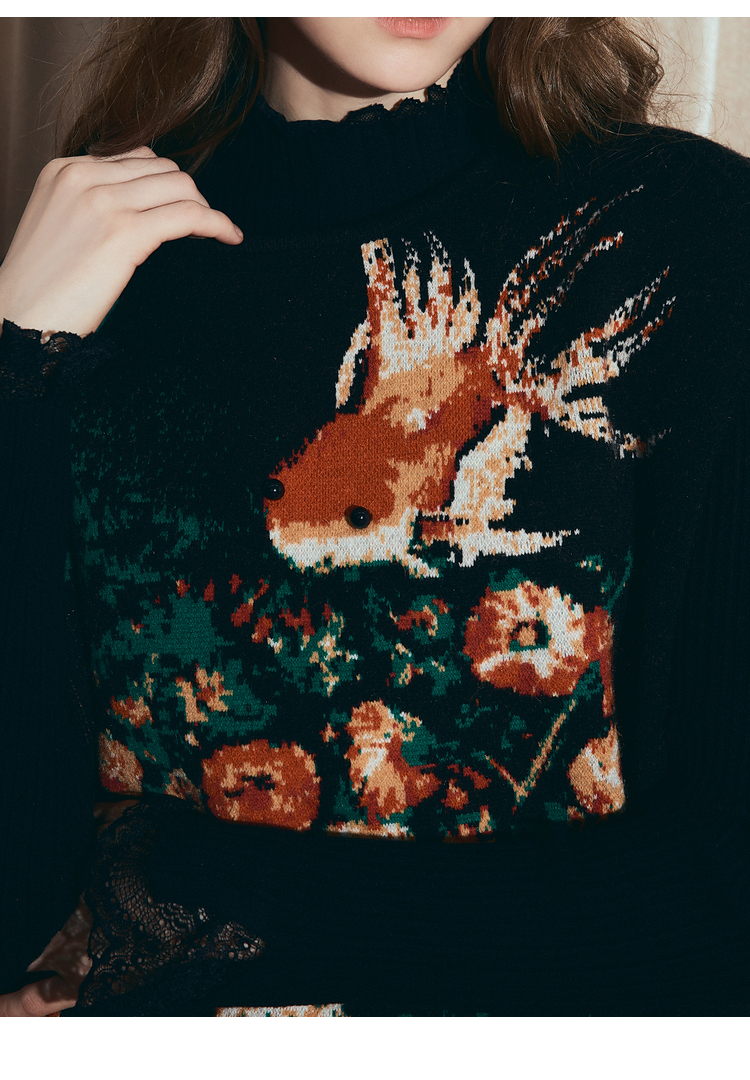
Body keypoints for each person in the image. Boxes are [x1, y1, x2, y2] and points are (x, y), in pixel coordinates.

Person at [0, 16, 748, 1017]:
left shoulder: (687, 236)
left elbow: (721, 904)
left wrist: (189, 898)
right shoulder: (91, 268)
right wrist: (14, 361)